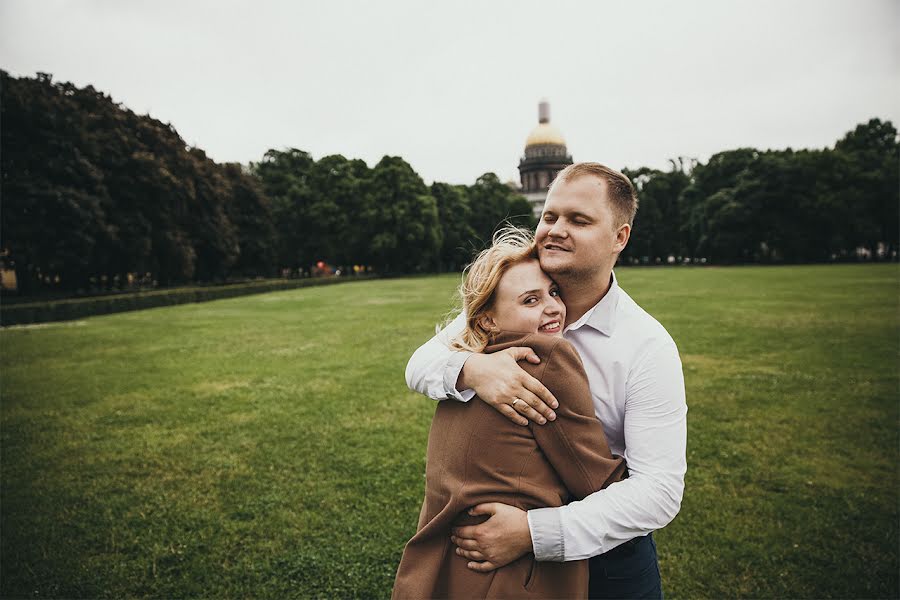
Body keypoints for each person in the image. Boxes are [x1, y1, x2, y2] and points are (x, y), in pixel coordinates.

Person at [405, 163, 687, 598]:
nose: (555, 229)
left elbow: (659, 491)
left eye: (579, 220)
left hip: (610, 559)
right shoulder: (513, 297)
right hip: (505, 560)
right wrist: (472, 369)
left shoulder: (647, 345)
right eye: (550, 216)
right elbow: (420, 363)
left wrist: (533, 532)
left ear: (620, 238)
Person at [392, 228, 626, 599]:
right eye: (530, 300)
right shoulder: (547, 358)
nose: (552, 307)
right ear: (487, 320)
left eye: (553, 293)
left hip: (447, 570)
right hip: (514, 576)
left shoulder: (466, 367)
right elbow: (595, 479)